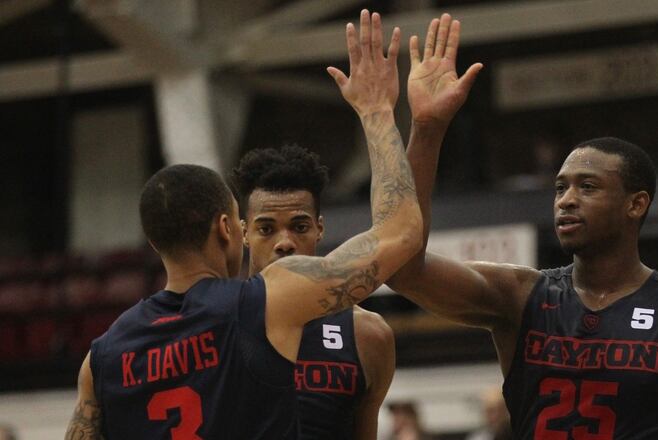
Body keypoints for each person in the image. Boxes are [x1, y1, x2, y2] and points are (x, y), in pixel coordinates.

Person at [387, 12, 658, 440]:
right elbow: (402, 267)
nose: (566, 199)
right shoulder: (519, 298)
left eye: (587, 186)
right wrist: (427, 129)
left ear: (636, 204)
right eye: (560, 187)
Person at [65, 9, 422, 439]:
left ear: (153, 241)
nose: (285, 243)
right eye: (265, 227)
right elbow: (401, 232)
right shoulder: (260, 307)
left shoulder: (101, 358)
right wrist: (379, 113)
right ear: (228, 228)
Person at [230, 145, 395, 439]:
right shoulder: (218, 323)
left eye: (299, 226)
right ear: (244, 233)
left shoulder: (368, 334)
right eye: (267, 229)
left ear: (319, 228)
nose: (285, 243)